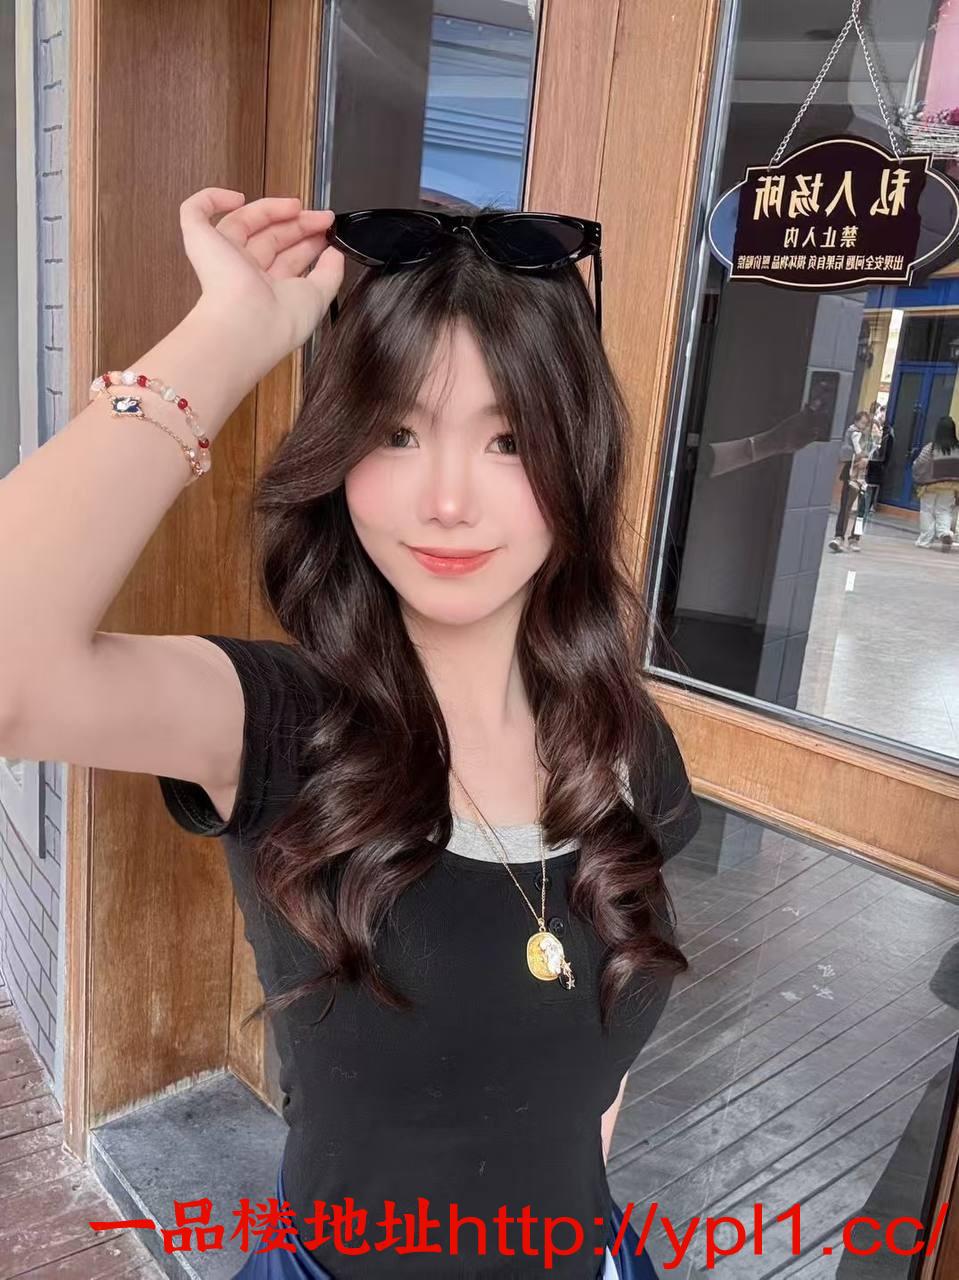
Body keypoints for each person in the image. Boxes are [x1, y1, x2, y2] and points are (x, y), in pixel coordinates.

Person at [0, 189, 702, 1279]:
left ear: (577, 458)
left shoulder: (622, 740)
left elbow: (591, 1080)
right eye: (396, 432)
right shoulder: (280, 724)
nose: (447, 501)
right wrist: (230, 332)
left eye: (509, 439)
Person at [912, 414, 959, 551]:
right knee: (944, 510)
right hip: (950, 486)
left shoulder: (931, 447)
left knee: (927, 511)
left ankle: (925, 540)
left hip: (930, 486)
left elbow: (919, 463)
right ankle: (945, 533)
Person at [828, 410, 871, 553]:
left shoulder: (868, 437)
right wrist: (860, 456)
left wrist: (867, 459)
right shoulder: (852, 433)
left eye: (866, 424)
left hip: (864, 477)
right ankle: (839, 536)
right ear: (856, 421)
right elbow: (850, 452)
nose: (863, 426)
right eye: (862, 423)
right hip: (852, 474)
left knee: (861, 511)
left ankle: (855, 538)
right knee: (846, 506)